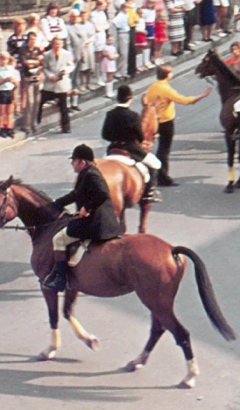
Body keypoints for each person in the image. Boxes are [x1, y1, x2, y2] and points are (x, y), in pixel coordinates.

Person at [41, 144, 124, 292]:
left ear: (82, 162)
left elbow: (103, 194)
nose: (72, 163)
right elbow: (76, 194)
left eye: (74, 160)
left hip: (96, 224)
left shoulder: (91, 175)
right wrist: (55, 204)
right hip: (98, 220)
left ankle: (61, 280)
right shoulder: (87, 173)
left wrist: (87, 208)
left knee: (58, 239)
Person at [145, 65, 212, 187]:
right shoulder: (165, 89)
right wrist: (203, 95)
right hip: (166, 122)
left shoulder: (152, 87)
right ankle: (163, 177)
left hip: (154, 120)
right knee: (164, 150)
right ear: (167, 75)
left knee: (158, 149)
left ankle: (158, 174)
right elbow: (185, 100)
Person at [102, 84, 162, 202]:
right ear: (130, 98)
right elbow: (140, 136)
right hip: (131, 148)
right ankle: (148, 194)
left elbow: (105, 135)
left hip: (112, 148)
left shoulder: (110, 114)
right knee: (156, 164)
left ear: (118, 98)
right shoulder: (133, 116)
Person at [38, 36, 75, 134]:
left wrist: (65, 71)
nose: (57, 46)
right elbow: (44, 68)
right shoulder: (47, 55)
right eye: (55, 44)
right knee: (41, 101)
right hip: (50, 83)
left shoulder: (67, 54)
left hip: (62, 83)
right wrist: (50, 76)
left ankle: (65, 127)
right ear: (52, 45)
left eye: (59, 44)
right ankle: (37, 121)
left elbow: (71, 65)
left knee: (63, 107)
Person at [18, 31, 44, 133]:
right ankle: (26, 124)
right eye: (31, 39)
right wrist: (35, 62)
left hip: (37, 76)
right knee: (30, 102)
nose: (32, 41)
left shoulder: (37, 49)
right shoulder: (23, 50)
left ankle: (34, 123)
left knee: (37, 101)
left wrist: (35, 62)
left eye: (34, 39)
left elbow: (41, 62)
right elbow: (26, 63)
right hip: (27, 77)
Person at [0, 52, 19, 138]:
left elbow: (16, 82)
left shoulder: (11, 69)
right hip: (1, 91)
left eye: (5, 59)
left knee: (9, 112)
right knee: (2, 112)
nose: (3, 61)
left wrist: (14, 82)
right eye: (2, 59)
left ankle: (9, 128)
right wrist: (5, 80)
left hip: (10, 91)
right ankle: (2, 128)